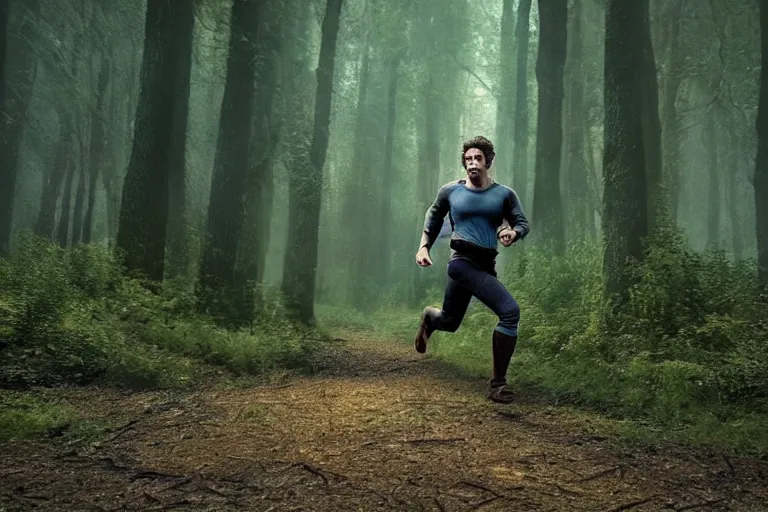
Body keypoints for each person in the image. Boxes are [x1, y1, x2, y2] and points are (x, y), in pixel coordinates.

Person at [413, 135, 529, 404]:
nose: (473, 164)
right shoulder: (451, 191)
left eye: (478, 158)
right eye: (468, 159)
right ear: (464, 163)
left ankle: (431, 318)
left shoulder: (504, 194)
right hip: (461, 262)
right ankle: (498, 385)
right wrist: (423, 248)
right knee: (510, 312)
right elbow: (433, 218)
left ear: (488, 161)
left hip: (486, 264)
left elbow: (521, 222)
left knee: (450, 323)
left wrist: (514, 231)